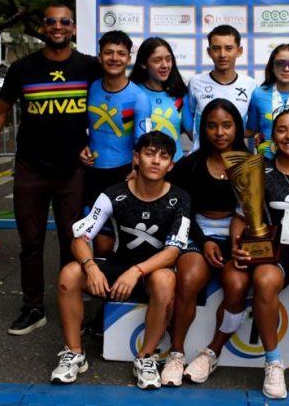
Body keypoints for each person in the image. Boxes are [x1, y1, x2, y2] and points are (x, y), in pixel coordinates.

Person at [186, 107, 289, 405]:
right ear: (272, 136)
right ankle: (273, 363)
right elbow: (240, 218)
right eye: (281, 130)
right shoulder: (259, 171)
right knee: (264, 279)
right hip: (276, 250)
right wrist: (237, 242)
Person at [0, 3, 101, 336]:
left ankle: (70, 302)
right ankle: (33, 308)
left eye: (64, 21)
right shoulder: (23, 68)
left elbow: (112, 105)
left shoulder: (90, 67)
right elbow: (0, 111)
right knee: (30, 243)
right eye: (51, 21)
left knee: (71, 241)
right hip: (31, 169)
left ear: (73, 28)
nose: (58, 26)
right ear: (43, 28)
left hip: (72, 171)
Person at [51, 131, 190, 389]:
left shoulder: (180, 198)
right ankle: (74, 353)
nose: (155, 161)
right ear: (136, 158)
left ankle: (146, 358)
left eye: (163, 157)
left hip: (152, 272)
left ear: (171, 165)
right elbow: (78, 238)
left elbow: (173, 251)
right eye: (149, 154)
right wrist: (91, 267)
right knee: (69, 274)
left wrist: (137, 271)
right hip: (117, 267)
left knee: (164, 279)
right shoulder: (112, 195)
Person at [160, 99, 248, 387]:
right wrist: (204, 240)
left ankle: (212, 352)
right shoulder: (190, 165)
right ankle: (176, 353)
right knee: (188, 278)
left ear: (237, 128)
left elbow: (255, 213)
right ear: (203, 129)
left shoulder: (250, 165)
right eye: (212, 126)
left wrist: (239, 242)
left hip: (237, 236)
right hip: (196, 232)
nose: (219, 132)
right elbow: (180, 209)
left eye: (226, 125)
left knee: (237, 285)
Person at [79, 30, 147, 255]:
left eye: (121, 53)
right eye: (109, 53)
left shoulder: (139, 97)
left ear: (128, 58)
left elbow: (144, 142)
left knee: (121, 240)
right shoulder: (90, 88)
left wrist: (137, 171)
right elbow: (76, 124)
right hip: (91, 173)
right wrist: (81, 145)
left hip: (123, 174)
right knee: (94, 240)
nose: (114, 58)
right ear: (100, 57)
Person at [181, 24, 256, 151]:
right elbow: (188, 124)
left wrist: (231, 138)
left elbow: (253, 128)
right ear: (209, 52)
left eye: (228, 48)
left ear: (239, 51)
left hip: (235, 159)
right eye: (216, 48)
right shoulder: (195, 82)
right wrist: (201, 140)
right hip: (201, 158)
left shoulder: (250, 84)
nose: (222, 54)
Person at [247, 43, 289, 159]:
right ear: (272, 67)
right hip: (266, 163)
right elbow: (252, 129)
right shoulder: (258, 94)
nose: (286, 69)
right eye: (280, 63)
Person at [129, 37, 189, 162]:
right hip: (146, 166)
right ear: (144, 64)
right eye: (157, 60)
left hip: (177, 165)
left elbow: (192, 132)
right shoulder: (132, 94)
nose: (165, 65)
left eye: (168, 59)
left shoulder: (180, 94)